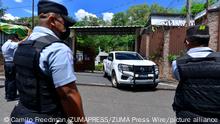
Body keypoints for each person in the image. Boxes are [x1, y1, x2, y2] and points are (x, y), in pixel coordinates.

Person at [10, 0, 87, 124]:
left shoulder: (21, 46)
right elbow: (68, 94)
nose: (66, 29)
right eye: (65, 23)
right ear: (52, 20)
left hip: (20, 115)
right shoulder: (58, 49)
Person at [172, 25, 220, 123]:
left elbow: (178, 78)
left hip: (187, 117)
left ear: (187, 42)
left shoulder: (177, 63)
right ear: (208, 41)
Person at [1, 34, 22, 101]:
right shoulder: (10, 44)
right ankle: (11, 96)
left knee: (8, 80)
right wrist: (28, 37)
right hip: (11, 63)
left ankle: (7, 94)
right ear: (14, 38)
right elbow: (20, 43)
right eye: (16, 39)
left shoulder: (4, 44)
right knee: (12, 80)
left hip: (6, 63)